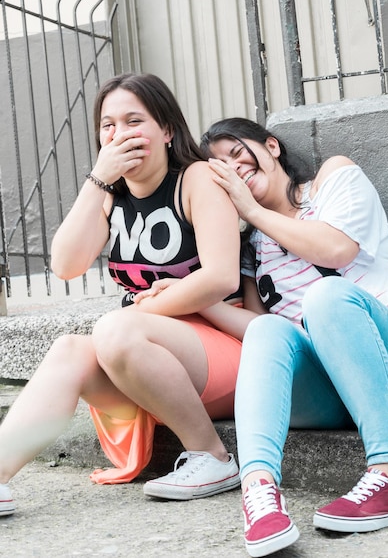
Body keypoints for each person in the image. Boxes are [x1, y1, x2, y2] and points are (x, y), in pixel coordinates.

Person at [0, 73, 243, 517]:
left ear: (167, 130)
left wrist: (138, 313)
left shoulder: (196, 180)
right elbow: (66, 265)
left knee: (115, 328)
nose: (120, 134)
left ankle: (214, 458)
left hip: (219, 349)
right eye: (108, 125)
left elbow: (222, 277)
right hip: (139, 358)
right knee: (69, 349)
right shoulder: (110, 198)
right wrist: (98, 180)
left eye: (134, 120)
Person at [199, 116, 388, 557]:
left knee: (326, 295)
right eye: (220, 166)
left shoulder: (333, 180)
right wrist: (198, 301)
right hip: (331, 392)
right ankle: (259, 494)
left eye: (237, 152)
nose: (234, 168)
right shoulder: (254, 248)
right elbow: (262, 335)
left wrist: (253, 210)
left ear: (272, 147)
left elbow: (336, 249)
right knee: (265, 326)